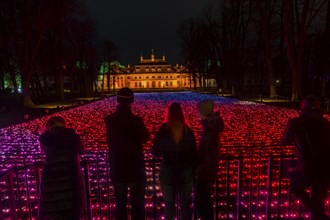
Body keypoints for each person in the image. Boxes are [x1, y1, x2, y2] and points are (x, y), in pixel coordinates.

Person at [280, 95, 330, 220]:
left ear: (302, 107)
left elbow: (285, 141)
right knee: (319, 198)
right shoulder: (325, 123)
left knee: (296, 188)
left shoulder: (295, 123)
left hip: (306, 166)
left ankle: (318, 214)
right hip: (325, 167)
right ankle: (319, 214)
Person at [104, 87, 149, 220]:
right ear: (132, 101)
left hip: (117, 167)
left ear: (118, 100)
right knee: (138, 205)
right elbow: (145, 137)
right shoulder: (136, 121)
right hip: (135, 168)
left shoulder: (109, 120)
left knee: (120, 204)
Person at [152, 102, 197, 220]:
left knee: (169, 207)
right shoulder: (188, 131)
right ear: (182, 114)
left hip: (167, 172)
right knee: (186, 207)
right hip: (185, 173)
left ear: (168, 113)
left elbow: (155, 151)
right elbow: (194, 154)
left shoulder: (163, 130)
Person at [38, 116, 85, 220]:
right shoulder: (72, 137)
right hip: (70, 177)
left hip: (51, 179)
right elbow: (82, 150)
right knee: (71, 209)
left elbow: (45, 152)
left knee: (53, 210)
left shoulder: (45, 139)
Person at [194, 99, 224, 220]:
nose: (197, 113)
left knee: (200, 202)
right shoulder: (211, 127)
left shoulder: (210, 130)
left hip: (205, 172)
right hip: (208, 170)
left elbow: (208, 153)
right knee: (204, 201)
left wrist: (200, 168)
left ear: (204, 113)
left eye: (199, 111)